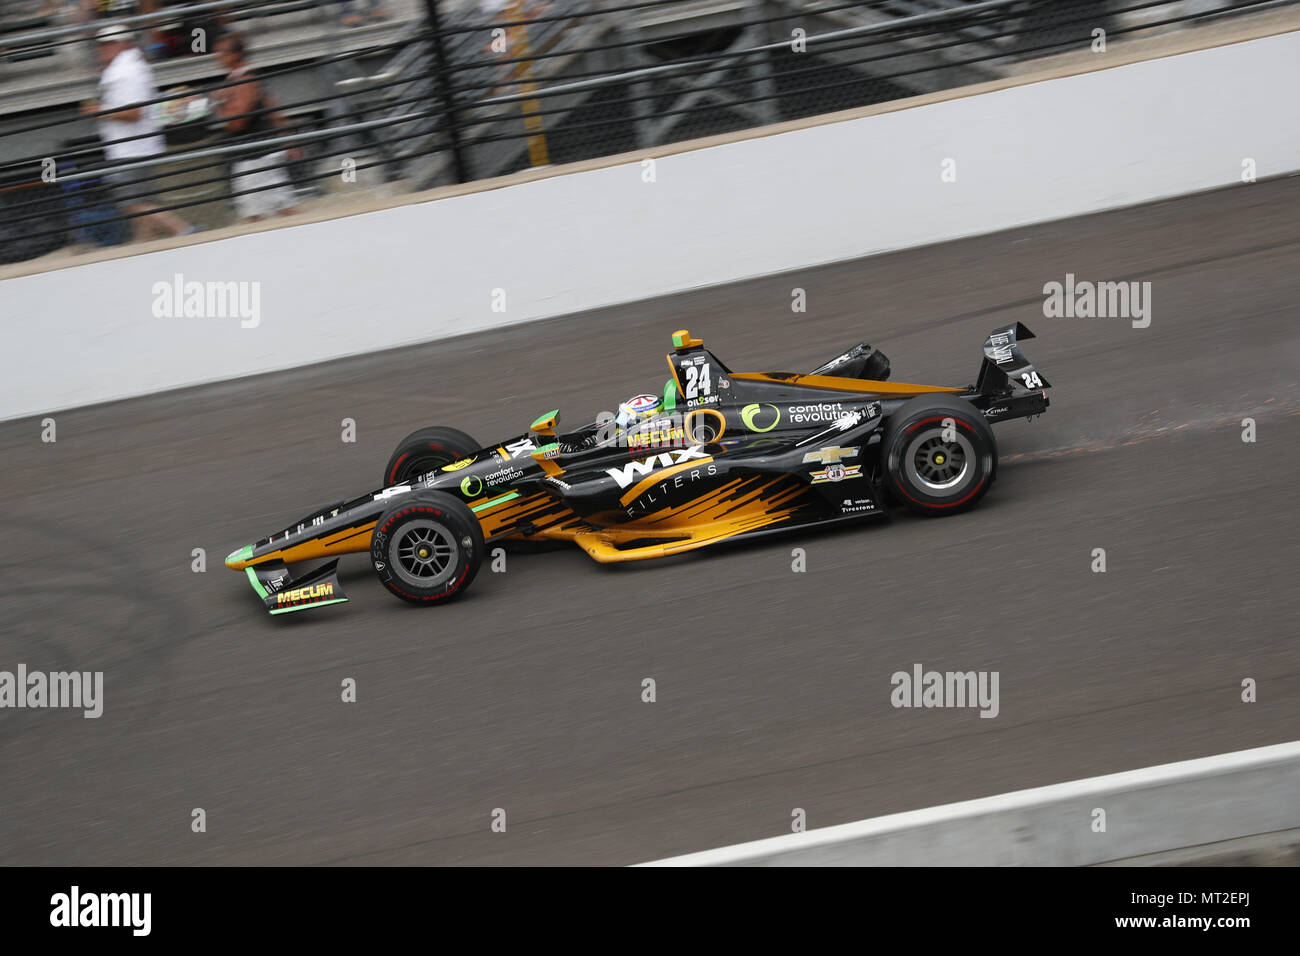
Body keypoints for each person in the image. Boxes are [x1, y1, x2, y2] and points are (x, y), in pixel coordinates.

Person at [84, 24, 191, 241]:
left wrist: (100, 111)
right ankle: (143, 246)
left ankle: (184, 231)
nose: (100, 49)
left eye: (106, 44)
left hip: (131, 148)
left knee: (132, 203)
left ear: (119, 44)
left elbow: (134, 113)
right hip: (133, 146)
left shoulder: (126, 73)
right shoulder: (129, 68)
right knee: (139, 203)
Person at [213, 32, 301, 223]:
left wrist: (221, 104)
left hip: (256, 155)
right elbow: (272, 106)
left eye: (222, 52)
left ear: (237, 54)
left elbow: (237, 123)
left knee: (257, 213)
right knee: (277, 205)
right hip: (259, 152)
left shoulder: (244, 80)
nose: (218, 56)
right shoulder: (244, 78)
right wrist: (287, 138)